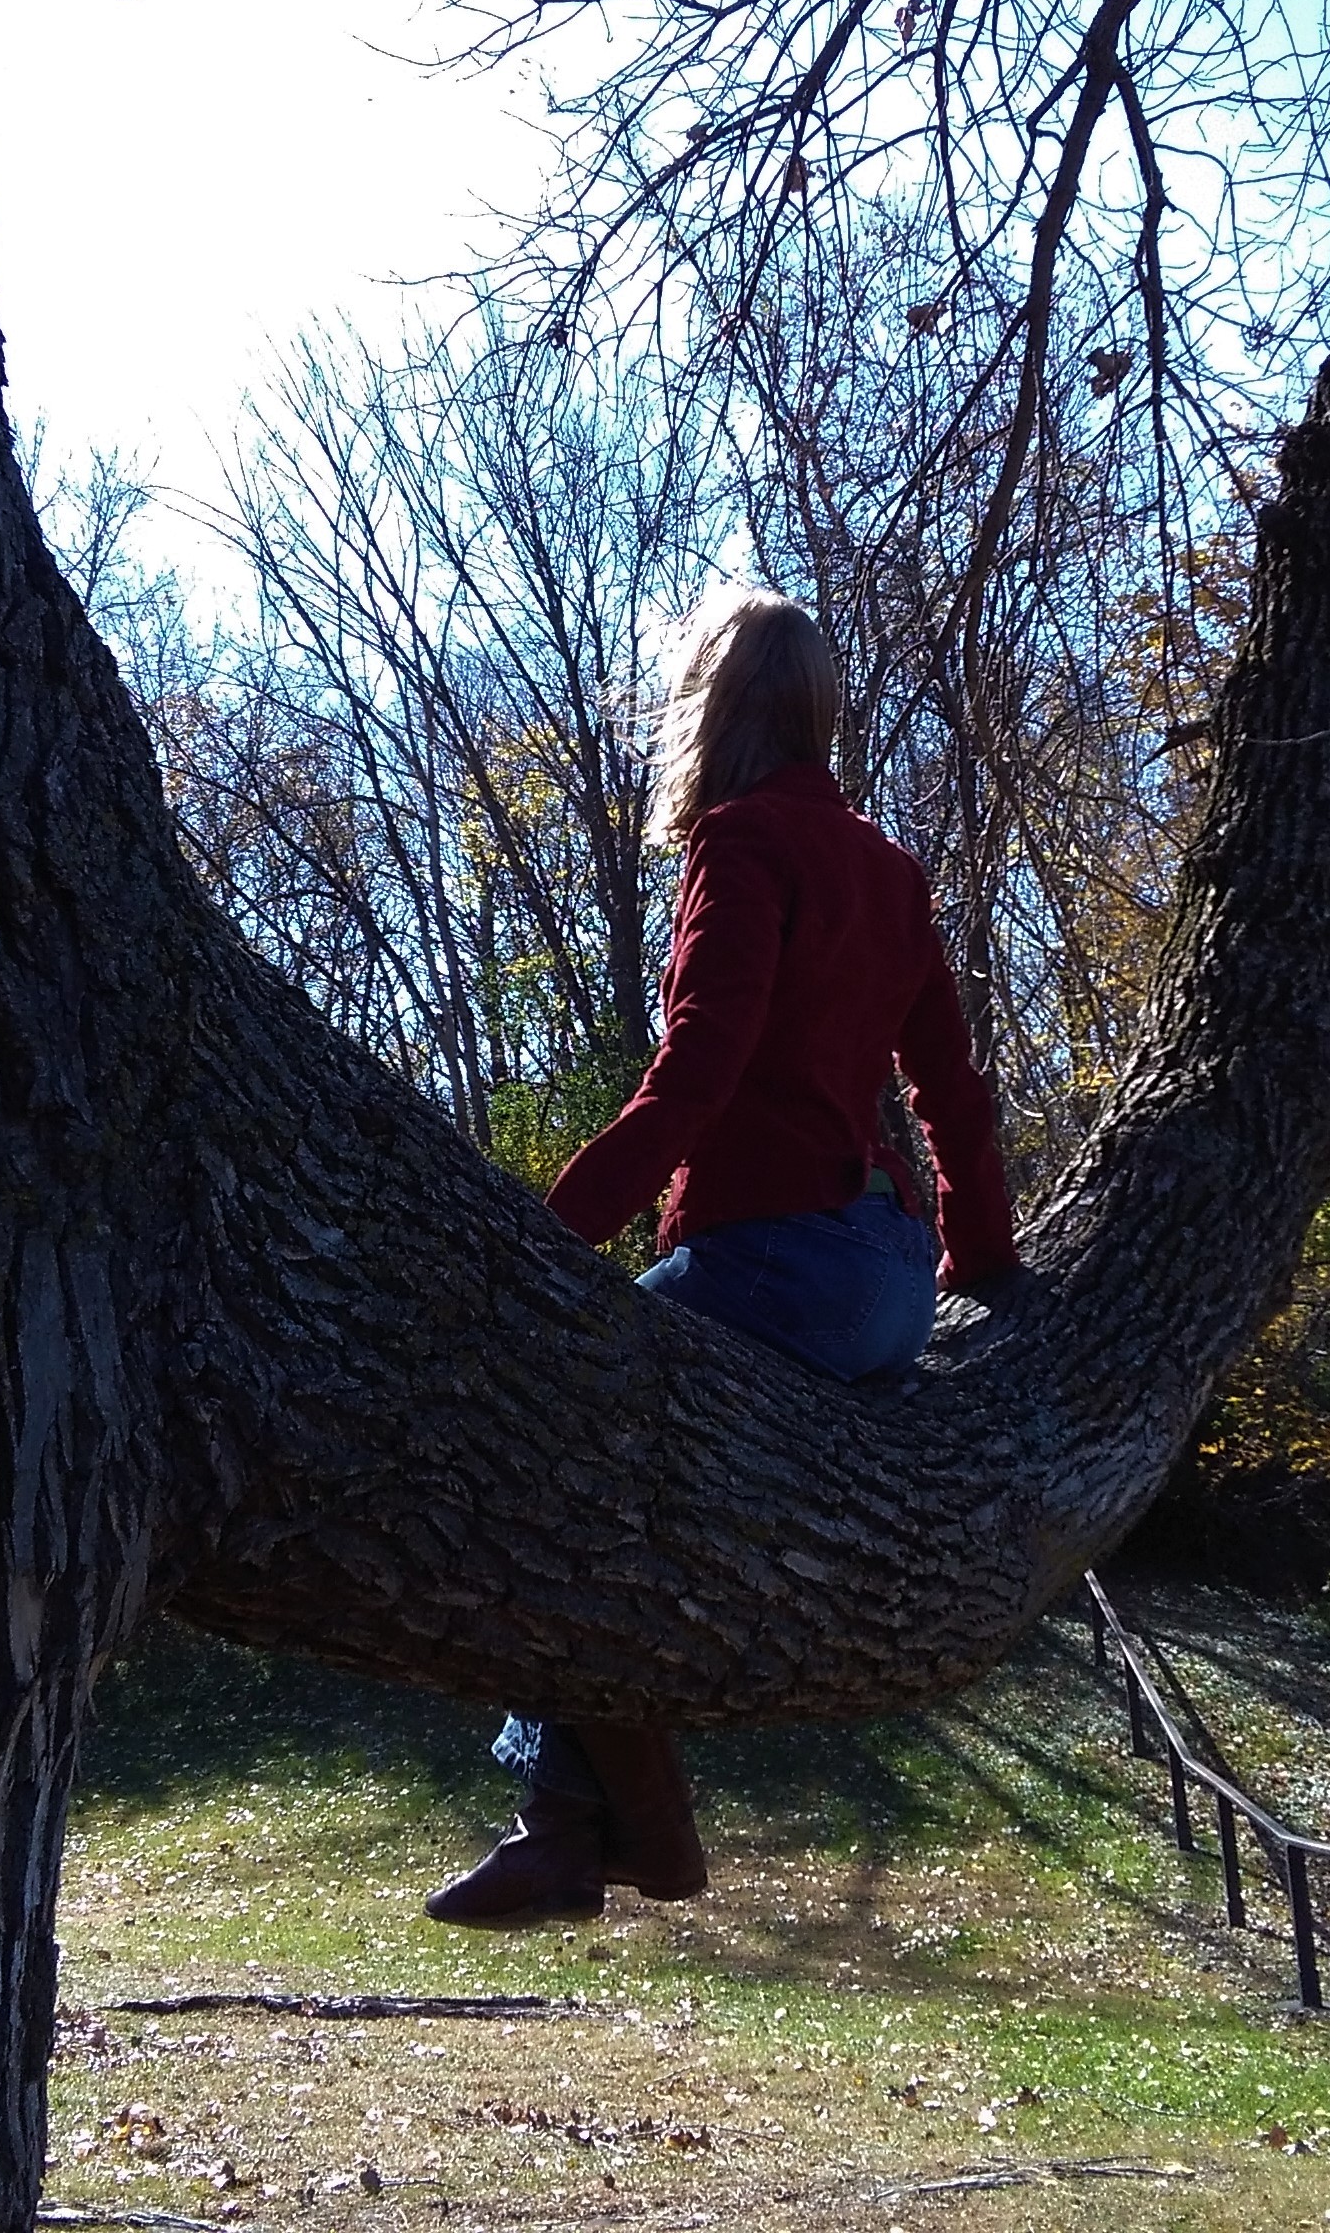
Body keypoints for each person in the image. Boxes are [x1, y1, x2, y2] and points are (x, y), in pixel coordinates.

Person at [426, 590, 1018, 1928]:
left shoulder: (743, 846)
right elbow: (949, 1089)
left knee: (552, 1455)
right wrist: (981, 1255)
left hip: (773, 1267)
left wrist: (547, 1239)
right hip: (882, 1280)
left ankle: (576, 1828)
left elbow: (697, 1070)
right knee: (640, 1490)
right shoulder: (886, 866)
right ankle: (585, 1826)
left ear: (715, 711)